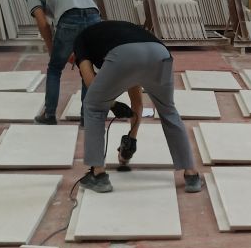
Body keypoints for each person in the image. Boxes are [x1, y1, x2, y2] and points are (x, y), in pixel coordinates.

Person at [72, 20, 202, 194]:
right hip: (160, 53)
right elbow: (136, 98)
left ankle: (98, 175)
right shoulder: (111, 34)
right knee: (168, 110)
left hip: (125, 55)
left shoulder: (80, 42)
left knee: (93, 106)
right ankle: (192, 175)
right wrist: (131, 139)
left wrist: (112, 104)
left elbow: (91, 83)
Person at [21, 0, 101, 124]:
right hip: (94, 17)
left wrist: (51, 49)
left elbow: (43, 24)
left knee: (54, 68)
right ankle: (87, 117)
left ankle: (49, 115)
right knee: (87, 67)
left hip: (70, 16)